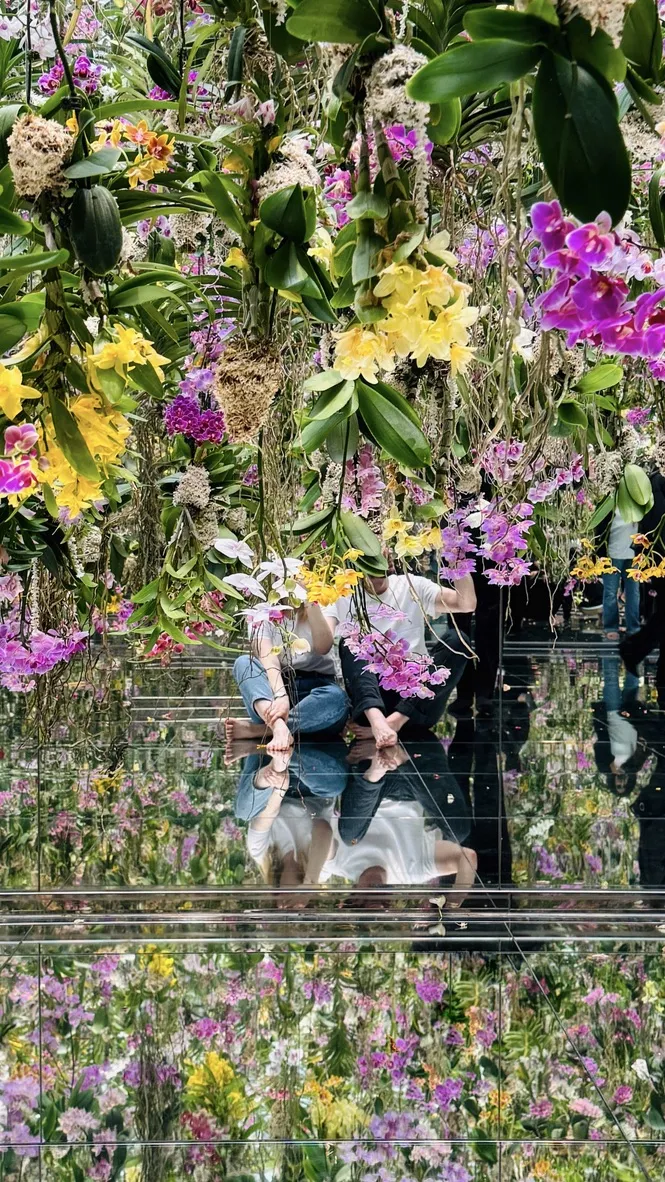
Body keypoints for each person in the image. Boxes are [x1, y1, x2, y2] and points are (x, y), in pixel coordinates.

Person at [323, 570, 476, 748]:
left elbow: (466, 604)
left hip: (417, 705)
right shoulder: (342, 591)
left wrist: (457, 560)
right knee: (352, 643)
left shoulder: (411, 585)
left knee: (458, 641)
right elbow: (324, 643)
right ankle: (378, 721)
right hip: (371, 703)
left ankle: (393, 722)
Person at [227, 601, 349, 752]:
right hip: (274, 694)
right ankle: (278, 726)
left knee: (337, 698)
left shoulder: (321, 598)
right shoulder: (260, 606)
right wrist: (280, 696)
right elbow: (268, 658)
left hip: (316, 691)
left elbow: (323, 647)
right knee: (244, 663)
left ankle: (260, 730)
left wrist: (311, 601)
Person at [234, 741, 349, 900]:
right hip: (315, 785)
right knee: (335, 785)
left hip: (275, 781)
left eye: (281, 908)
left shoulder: (261, 854)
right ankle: (282, 753)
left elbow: (267, 814)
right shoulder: (321, 872)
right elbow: (323, 828)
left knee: (244, 811)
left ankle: (269, 747)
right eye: (297, 909)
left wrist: (280, 789)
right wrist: (310, 882)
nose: (286, 905)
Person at [620, 469, 665, 686]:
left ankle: (636, 649)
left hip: (656, 558)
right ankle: (634, 648)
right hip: (659, 558)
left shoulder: (652, 480)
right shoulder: (655, 483)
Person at [598, 507, 640, 641]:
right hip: (612, 553)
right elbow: (600, 529)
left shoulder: (639, 502)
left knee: (633, 592)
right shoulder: (610, 503)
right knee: (610, 592)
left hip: (634, 555)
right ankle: (611, 627)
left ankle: (633, 627)